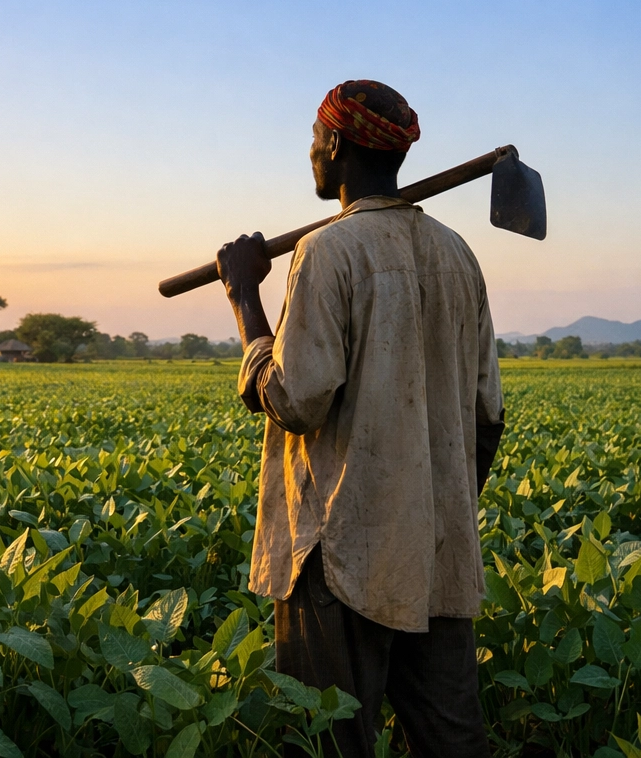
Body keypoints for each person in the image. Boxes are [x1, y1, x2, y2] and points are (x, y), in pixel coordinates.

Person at [215, 80, 504, 758]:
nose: (310, 154)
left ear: (337, 144)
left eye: (315, 140)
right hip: (436, 552)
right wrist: (434, 510)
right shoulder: (457, 254)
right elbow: (488, 417)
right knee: (452, 743)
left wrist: (243, 297)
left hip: (337, 557)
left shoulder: (329, 251)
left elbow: (294, 401)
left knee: (328, 740)